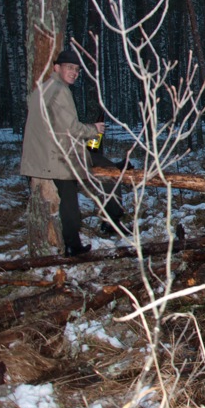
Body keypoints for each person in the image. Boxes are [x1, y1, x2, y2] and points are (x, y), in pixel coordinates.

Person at [20, 47, 125, 256]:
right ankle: (83, 240)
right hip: (57, 156)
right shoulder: (60, 90)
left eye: (77, 69)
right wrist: (93, 130)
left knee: (103, 169)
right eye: (70, 68)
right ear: (57, 68)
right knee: (105, 176)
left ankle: (103, 224)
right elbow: (72, 128)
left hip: (45, 154)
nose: (74, 72)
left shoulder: (42, 89)